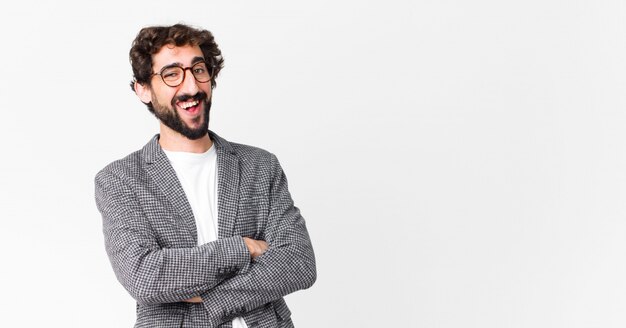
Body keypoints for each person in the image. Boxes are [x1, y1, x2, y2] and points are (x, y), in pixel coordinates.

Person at [94, 23, 316, 328]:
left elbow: (298, 262)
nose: (191, 87)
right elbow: (145, 277)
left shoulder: (259, 166)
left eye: (199, 69)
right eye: (172, 74)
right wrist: (244, 248)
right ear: (143, 89)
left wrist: (210, 295)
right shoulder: (120, 180)